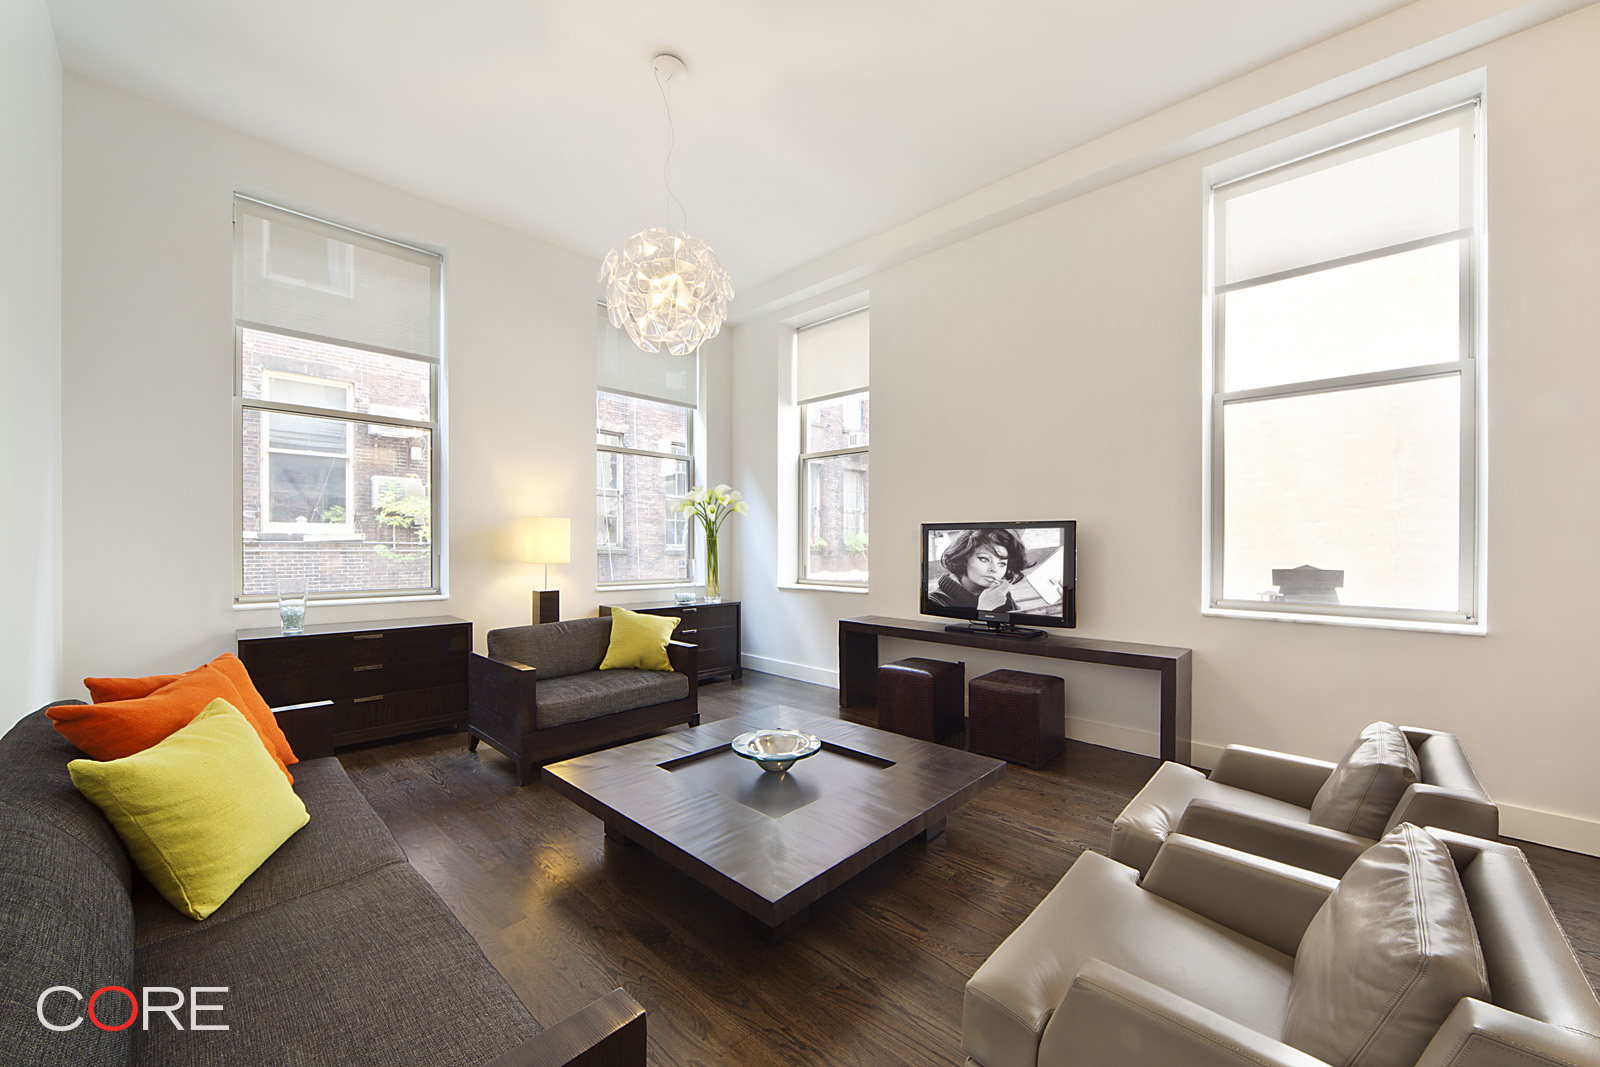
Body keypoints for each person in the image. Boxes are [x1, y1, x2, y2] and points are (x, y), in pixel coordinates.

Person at [928, 528, 1028, 612]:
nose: (994, 569)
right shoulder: (933, 602)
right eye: (984, 559)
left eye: (1001, 564)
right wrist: (985, 608)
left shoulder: (999, 595)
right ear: (963, 558)